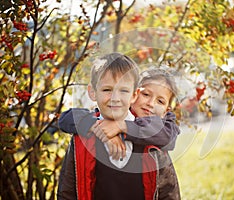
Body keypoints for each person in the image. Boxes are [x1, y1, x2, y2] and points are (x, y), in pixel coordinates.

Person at [57, 53, 181, 200]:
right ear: (92, 92)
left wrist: (121, 126)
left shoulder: (154, 140)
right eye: (107, 90)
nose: (115, 98)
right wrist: (99, 128)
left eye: (123, 91)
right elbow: (68, 191)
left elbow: (168, 192)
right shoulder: (81, 139)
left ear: (133, 95)